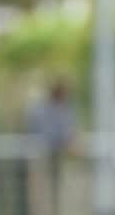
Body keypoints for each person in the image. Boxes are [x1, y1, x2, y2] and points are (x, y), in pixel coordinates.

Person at [26, 80, 76, 215]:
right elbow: (45, 132)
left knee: (61, 195)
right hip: (42, 157)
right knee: (41, 198)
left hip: (59, 157)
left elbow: (69, 133)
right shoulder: (41, 109)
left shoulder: (66, 109)